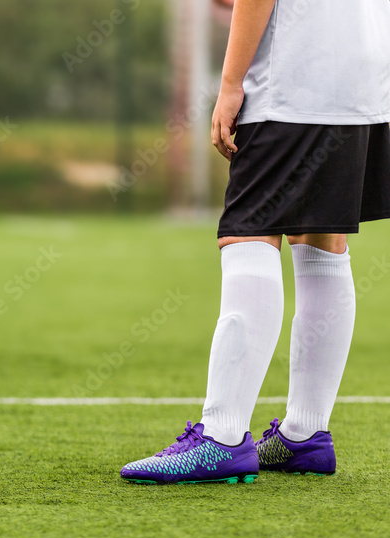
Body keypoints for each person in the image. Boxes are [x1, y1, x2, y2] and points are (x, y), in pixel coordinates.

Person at [121, 0, 390, 484]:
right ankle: (305, 435)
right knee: (321, 237)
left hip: (293, 78)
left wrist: (229, 85)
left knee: (248, 231)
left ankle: (222, 436)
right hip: (364, 78)